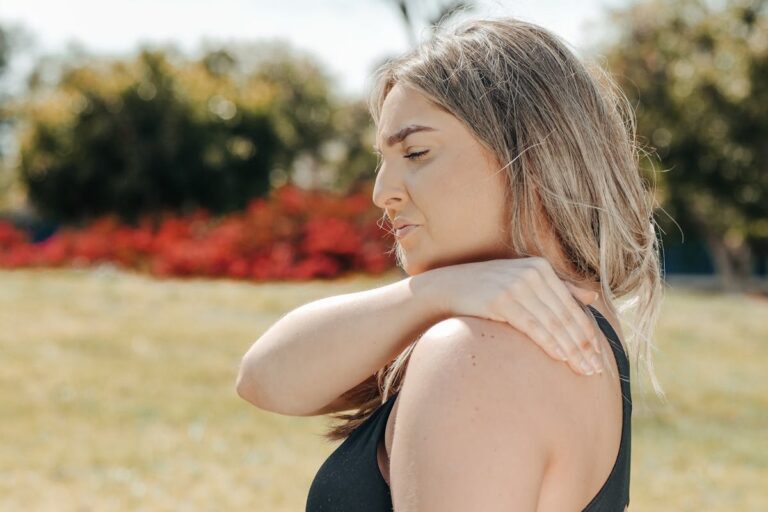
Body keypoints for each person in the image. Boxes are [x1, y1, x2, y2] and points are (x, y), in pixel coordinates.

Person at [237, 15, 664, 512]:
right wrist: (439, 292)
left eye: (416, 152)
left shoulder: (473, 355)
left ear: (530, 155)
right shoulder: (578, 330)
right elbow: (263, 378)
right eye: (383, 159)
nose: (382, 193)